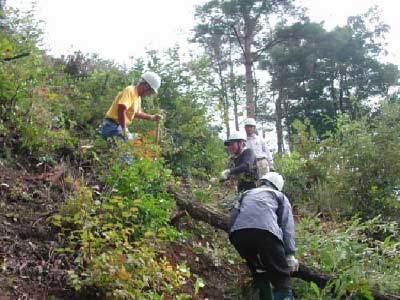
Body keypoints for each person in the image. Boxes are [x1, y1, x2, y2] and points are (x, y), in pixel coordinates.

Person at [229, 172, 299, 300]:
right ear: (277, 186)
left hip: (239, 236)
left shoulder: (246, 194)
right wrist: (290, 254)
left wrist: (234, 235)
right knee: (281, 278)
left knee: (259, 270)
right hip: (266, 235)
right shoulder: (280, 196)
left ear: (262, 181)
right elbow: (286, 226)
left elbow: (233, 217)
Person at [100, 71, 162, 140]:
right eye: (151, 91)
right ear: (146, 86)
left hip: (118, 126)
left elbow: (137, 113)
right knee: (127, 147)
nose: (150, 94)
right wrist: (123, 129)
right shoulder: (130, 91)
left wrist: (152, 117)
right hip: (112, 126)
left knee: (136, 140)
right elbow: (121, 109)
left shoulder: (138, 97)